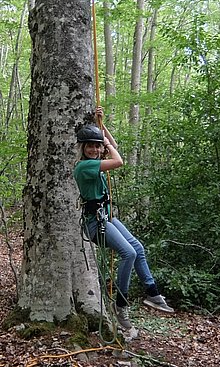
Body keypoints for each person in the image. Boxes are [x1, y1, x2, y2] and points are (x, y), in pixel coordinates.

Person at [74, 106, 174, 330]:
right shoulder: (84, 167)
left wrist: (102, 124)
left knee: (137, 248)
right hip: (95, 224)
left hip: (107, 219)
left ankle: (152, 293)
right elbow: (118, 160)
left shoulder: (96, 161)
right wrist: (105, 144)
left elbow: (114, 147)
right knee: (127, 253)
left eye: (96, 146)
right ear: (83, 148)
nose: (93, 149)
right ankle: (121, 305)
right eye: (90, 146)